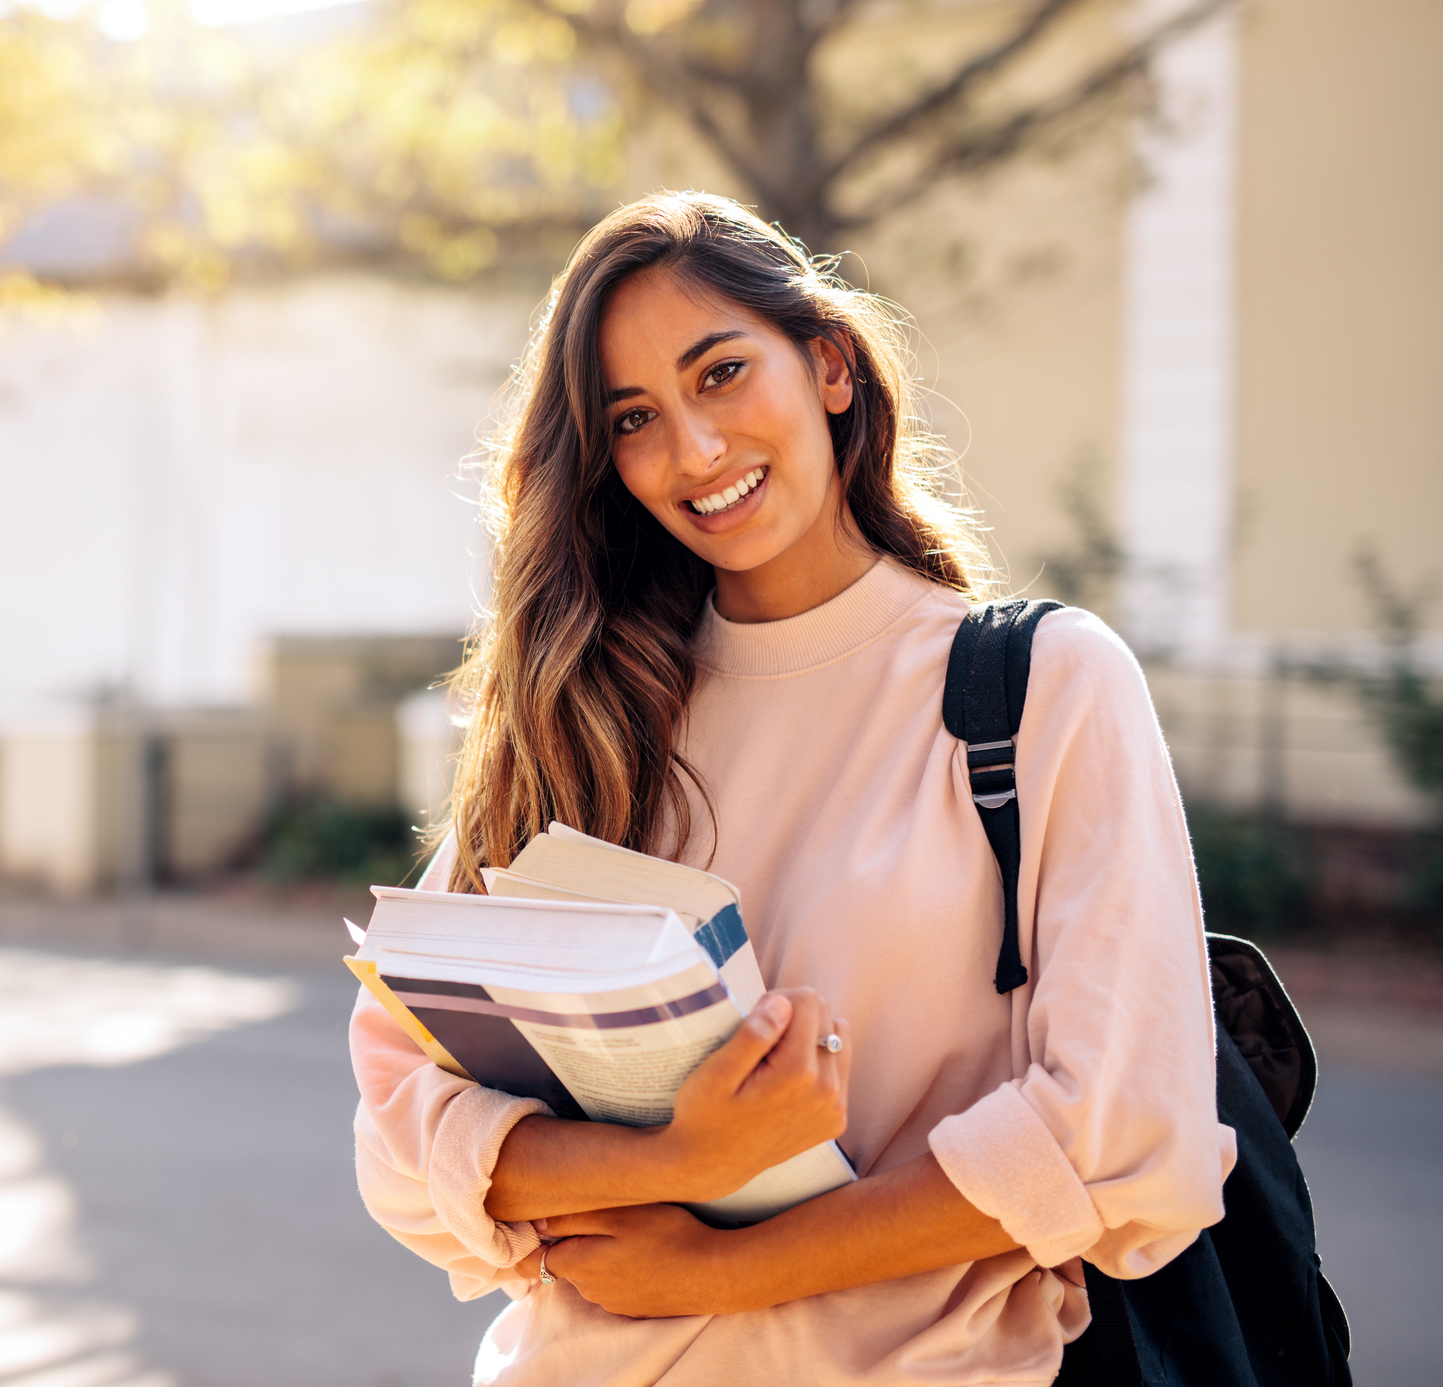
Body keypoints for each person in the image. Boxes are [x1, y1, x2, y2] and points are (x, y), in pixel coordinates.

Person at [349, 192, 1233, 1385]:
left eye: (721, 373)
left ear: (827, 365)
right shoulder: (586, 714)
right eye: (634, 418)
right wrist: (684, 1156)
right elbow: (405, 1133)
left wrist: (717, 1268)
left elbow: (1122, 1139)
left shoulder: (1041, 688)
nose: (695, 451)